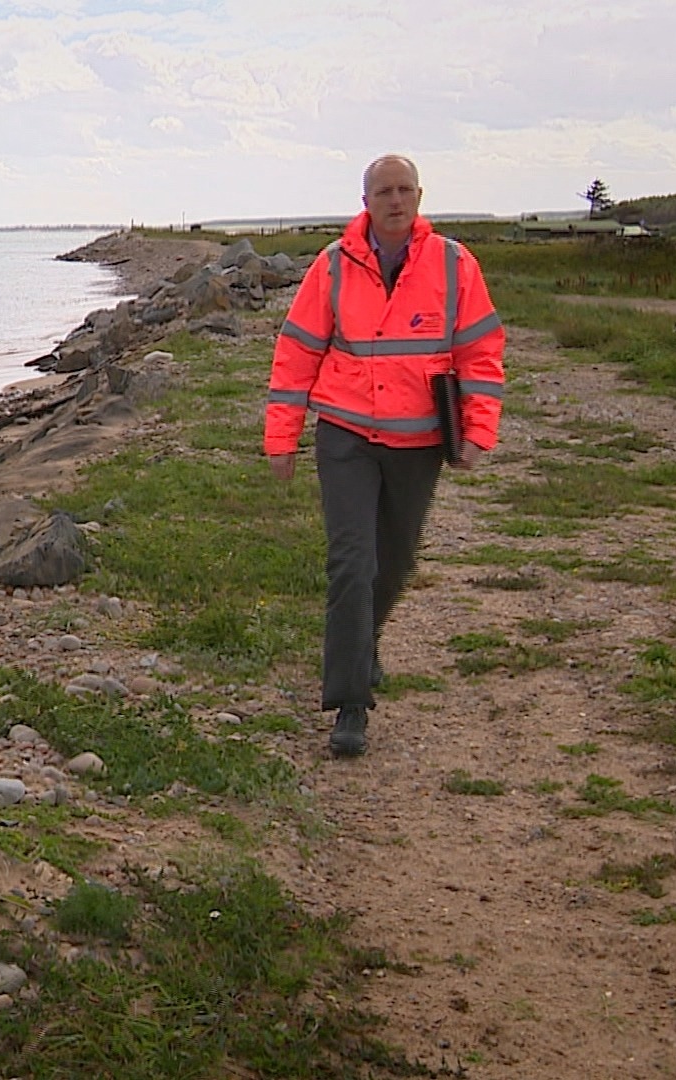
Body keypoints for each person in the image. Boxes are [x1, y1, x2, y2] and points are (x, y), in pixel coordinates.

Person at [263, 154, 505, 758]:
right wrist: (281, 437)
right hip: (345, 435)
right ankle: (349, 705)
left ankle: (364, 643)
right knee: (351, 564)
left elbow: (480, 352)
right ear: (365, 200)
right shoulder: (333, 265)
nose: (395, 200)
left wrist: (479, 430)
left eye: (404, 190)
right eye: (383, 191)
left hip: (417, 442)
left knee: (390, 566)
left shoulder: (454, 264)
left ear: (419, 195)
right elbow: (296, 353)